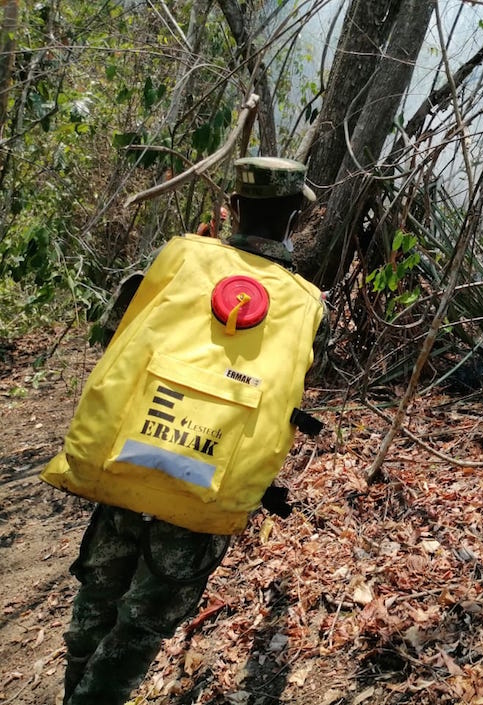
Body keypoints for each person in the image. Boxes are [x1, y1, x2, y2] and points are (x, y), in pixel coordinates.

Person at [41, 157, 326, 705]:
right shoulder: (310, 306)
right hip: (206, 492)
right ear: (295, 221)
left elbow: (112, 332)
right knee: (141, 628)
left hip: (128, 461)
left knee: (96, 604)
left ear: (234, 208)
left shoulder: (177, 255)